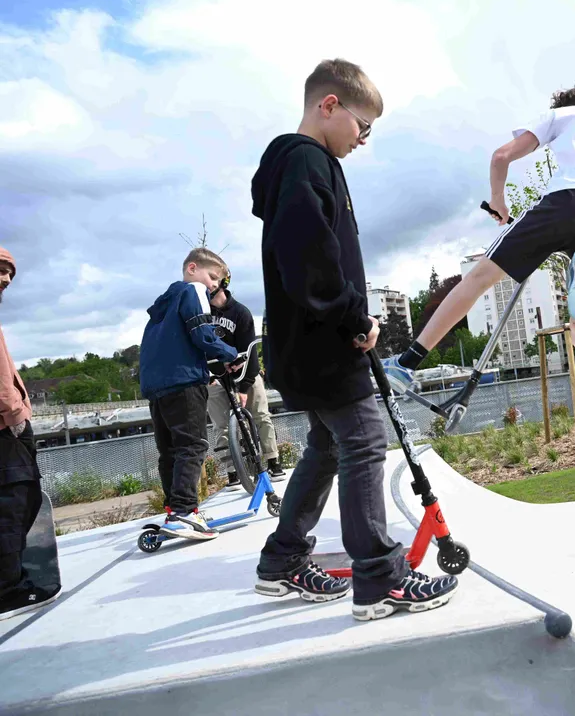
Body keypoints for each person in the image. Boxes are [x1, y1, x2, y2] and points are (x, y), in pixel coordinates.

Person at [250, 58, 457, 620]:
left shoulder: (299, 165)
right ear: (330, 106)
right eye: (362, 127)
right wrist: (352, 317)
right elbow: (309, 255)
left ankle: (282, 560)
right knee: (364, 438)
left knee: (326, 445)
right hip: (323, 340)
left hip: (304, 341)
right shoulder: (305, 162)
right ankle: (381, 579)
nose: (364, 140)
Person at [383, 85, 575, 391]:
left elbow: (501, 156)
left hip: (569, 199)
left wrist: (498, 201)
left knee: (479, 278)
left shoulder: (563, 115)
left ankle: (405, 363)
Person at [139, 248, 241, 540]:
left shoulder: (162, 306)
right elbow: (202, 334)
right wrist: (230, 354)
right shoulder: (193, 290)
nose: (213, 286)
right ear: (192, 268)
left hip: (157, 387)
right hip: (184, 383)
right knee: (193, 446)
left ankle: (174, 509)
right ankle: (185, 512)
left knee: (169, 451)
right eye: (212, 277)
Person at [0, 246, 62, 621]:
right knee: (15, 502)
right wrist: (14, 415)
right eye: (0, 270)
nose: (6, 278)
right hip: (5, 427)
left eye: (10, 273)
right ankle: (7, 590)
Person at [207, 270, 285, 487]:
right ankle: (232, 471)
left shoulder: (240, 312)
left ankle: (273, 460)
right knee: (220, 425)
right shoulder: (201, 314)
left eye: (212, 281)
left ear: (222, 283)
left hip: (245, 372)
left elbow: (250, 352)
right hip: (216, 376)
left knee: (260, 415)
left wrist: (244, 387)